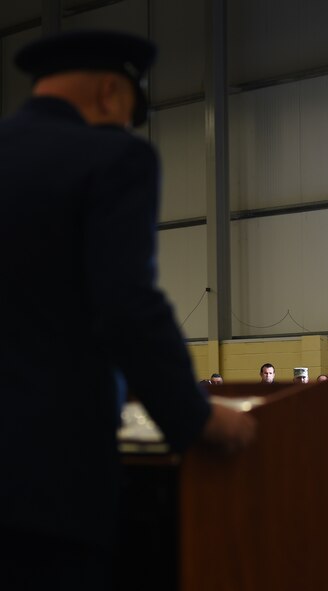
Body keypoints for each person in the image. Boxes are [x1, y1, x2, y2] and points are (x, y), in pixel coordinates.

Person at [0, 30, 255, 590]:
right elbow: (124, 306)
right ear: (112, 94)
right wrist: (197, 417)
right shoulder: (112, 157)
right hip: (49, 482)